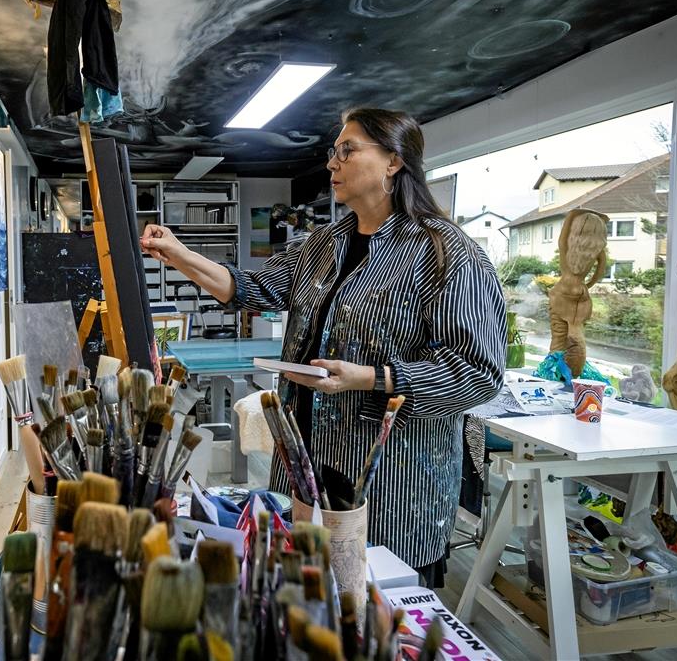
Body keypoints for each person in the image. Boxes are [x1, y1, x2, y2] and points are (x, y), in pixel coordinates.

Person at [140, 107, 506, 584]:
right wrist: (179, 253)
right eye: (333, 151)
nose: (332, 162)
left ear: (393, 161)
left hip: (389, 484)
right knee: (306, 600)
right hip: (303, 464)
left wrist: (374, 379)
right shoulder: (323, 243)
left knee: (373, 613)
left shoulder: (447, 253)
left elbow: (479, 373)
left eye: (347, 150)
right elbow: (252, 288)